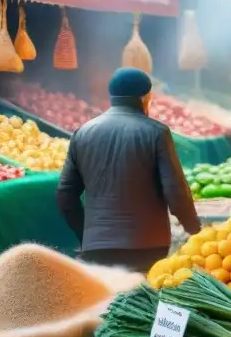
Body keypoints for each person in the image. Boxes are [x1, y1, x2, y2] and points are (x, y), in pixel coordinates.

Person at [56, 68, 201, 272]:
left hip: (96, 249)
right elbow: (175, 191)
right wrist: (194, 230)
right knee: (140, 302)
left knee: (107, 303)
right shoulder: (157, 132)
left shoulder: (82, 133)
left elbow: (65, 196)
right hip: (147, 246)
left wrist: (88, 236)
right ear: (146, 97)